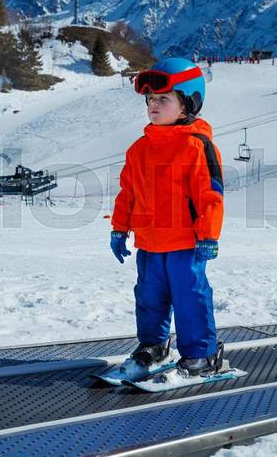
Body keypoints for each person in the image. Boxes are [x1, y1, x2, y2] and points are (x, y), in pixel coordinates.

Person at [112, 58, 225, 377]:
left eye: (163, 98)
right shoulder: (139, 149)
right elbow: (127, 193)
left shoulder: (197, 146)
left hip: (185, 244)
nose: (154, 105)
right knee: (149, 298)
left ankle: (201, 353)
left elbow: (210, 195)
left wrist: (208, 236)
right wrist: (119, 229)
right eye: (150, 99)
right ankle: (154, 346)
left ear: (187, 104)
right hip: (149, 244)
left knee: (190, 297)